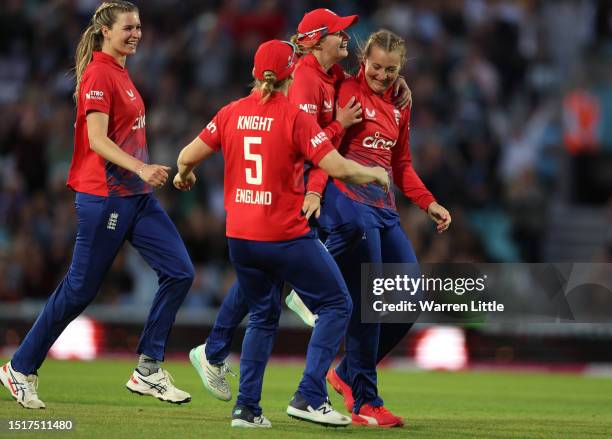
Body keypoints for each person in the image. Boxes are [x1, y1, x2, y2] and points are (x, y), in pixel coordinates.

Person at [191, 7, 411, 402]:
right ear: (315, 41)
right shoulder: (307, 79)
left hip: (289, 190)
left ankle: (218, 356)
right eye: (339, 32)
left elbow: (369, 80)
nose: (347, 37)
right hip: (289, 188)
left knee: (265, 277)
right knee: (291, 280)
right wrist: (336, 136)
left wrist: (398, 87)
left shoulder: (332, 76)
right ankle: (294, 374)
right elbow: (310, 143)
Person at [0, 1, 194, 409]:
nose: (136, 32)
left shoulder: (120, 72)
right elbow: (97, 141)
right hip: (105, 196)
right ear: (106, 30)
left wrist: (140, 176)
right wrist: (142, 168)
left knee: (179, 271)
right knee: (79, 289)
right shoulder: (100, 74)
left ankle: (148, 368)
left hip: (135, 197)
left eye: (139, 26)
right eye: (128, 27)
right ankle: (19, 368)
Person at [325, 29, 452, 427]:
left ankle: (345, 373)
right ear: (363, 60)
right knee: (372, 300)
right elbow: (320, 145)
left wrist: (429, 202)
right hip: (349, 202)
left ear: (402, 68)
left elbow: (402, 165)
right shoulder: (344, 90)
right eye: (376, 67)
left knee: (410, 295)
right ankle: (365, 402)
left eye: (391, 69)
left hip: (384, 209)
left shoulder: (400, 102)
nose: (382, 75)